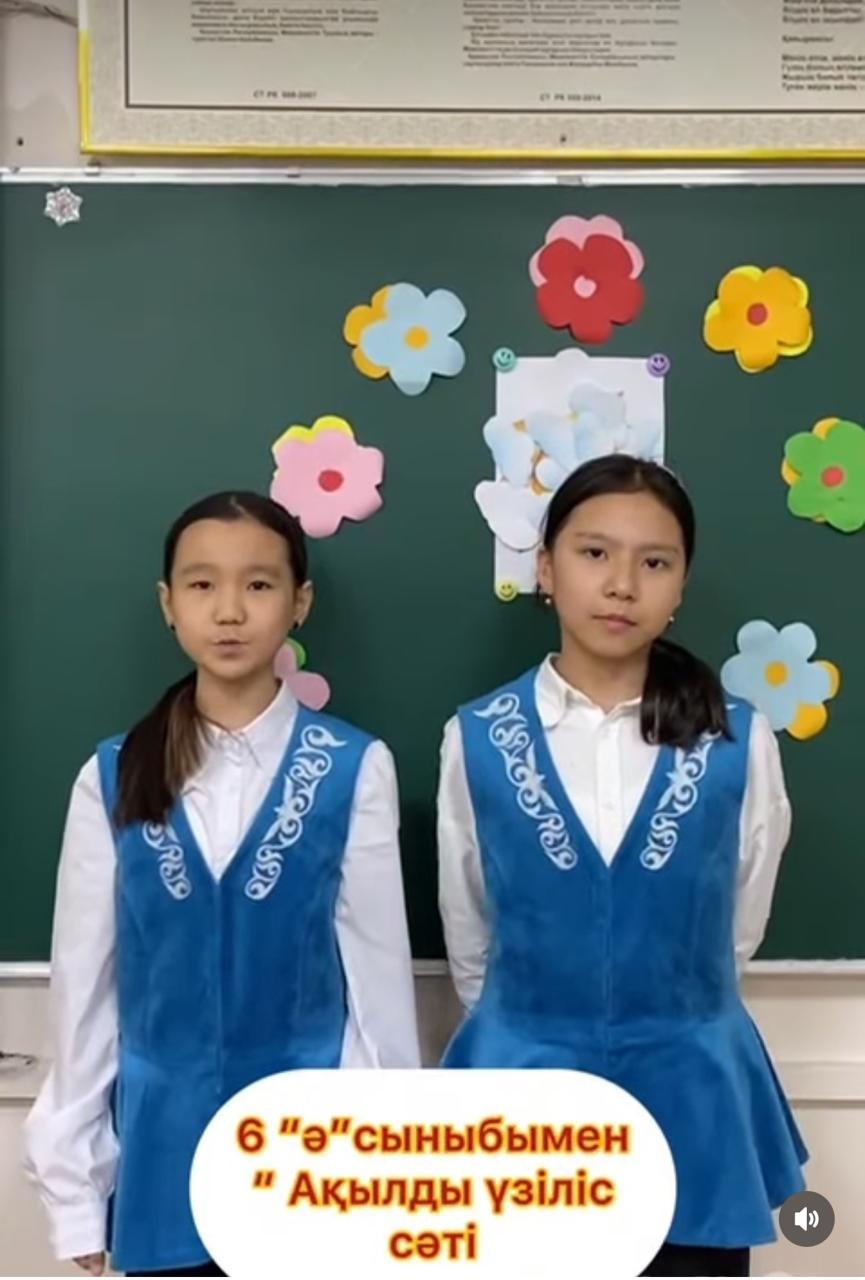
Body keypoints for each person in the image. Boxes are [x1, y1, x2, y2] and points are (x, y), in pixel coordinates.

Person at [24, 491, 420, 1277]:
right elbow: (85, 992)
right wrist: (75, 1192)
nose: (230, 611)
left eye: (259, 584)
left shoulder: (353, 769)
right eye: (202, 584)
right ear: (168, 604)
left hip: (308, 1151)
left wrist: (381, 1163)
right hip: (159, 1149)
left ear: (299, 603)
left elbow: (378, 995)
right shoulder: (112, 776)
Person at [437, 455, 807, 1277]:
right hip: (523, 1087)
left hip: (692, 1087)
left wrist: (671, 1005)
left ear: (680, 586)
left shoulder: (738, 740)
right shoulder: (477, 737)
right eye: (593, 553)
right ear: (545, 568)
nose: (620, 584)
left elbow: (738, 923)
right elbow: (469, 925)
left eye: (654, 562)